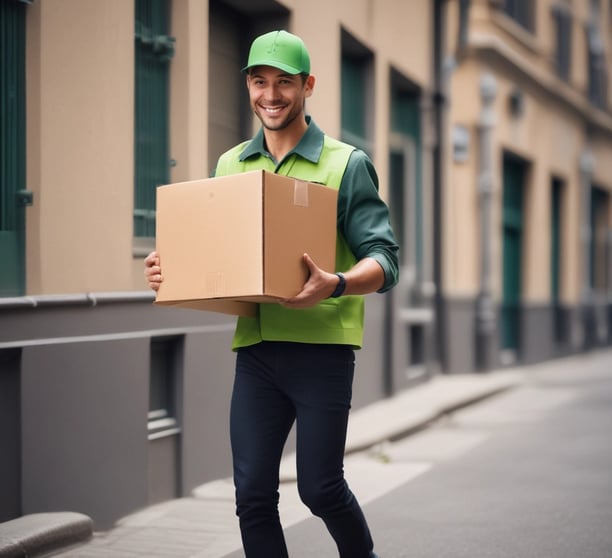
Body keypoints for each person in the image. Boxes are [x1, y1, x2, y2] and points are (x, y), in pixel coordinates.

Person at [145, 29, 398, 558]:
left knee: (319, 488)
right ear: (248, 86)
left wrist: (338, 283)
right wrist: (171, 268)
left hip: (323, 351)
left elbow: (385, 259)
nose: (271, 95)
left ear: (308, 85)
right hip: (257, 352)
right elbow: (216, 256)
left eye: (284, 83)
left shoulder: (345, 164)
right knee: (253, 494)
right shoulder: (230, 165)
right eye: (260, 82)